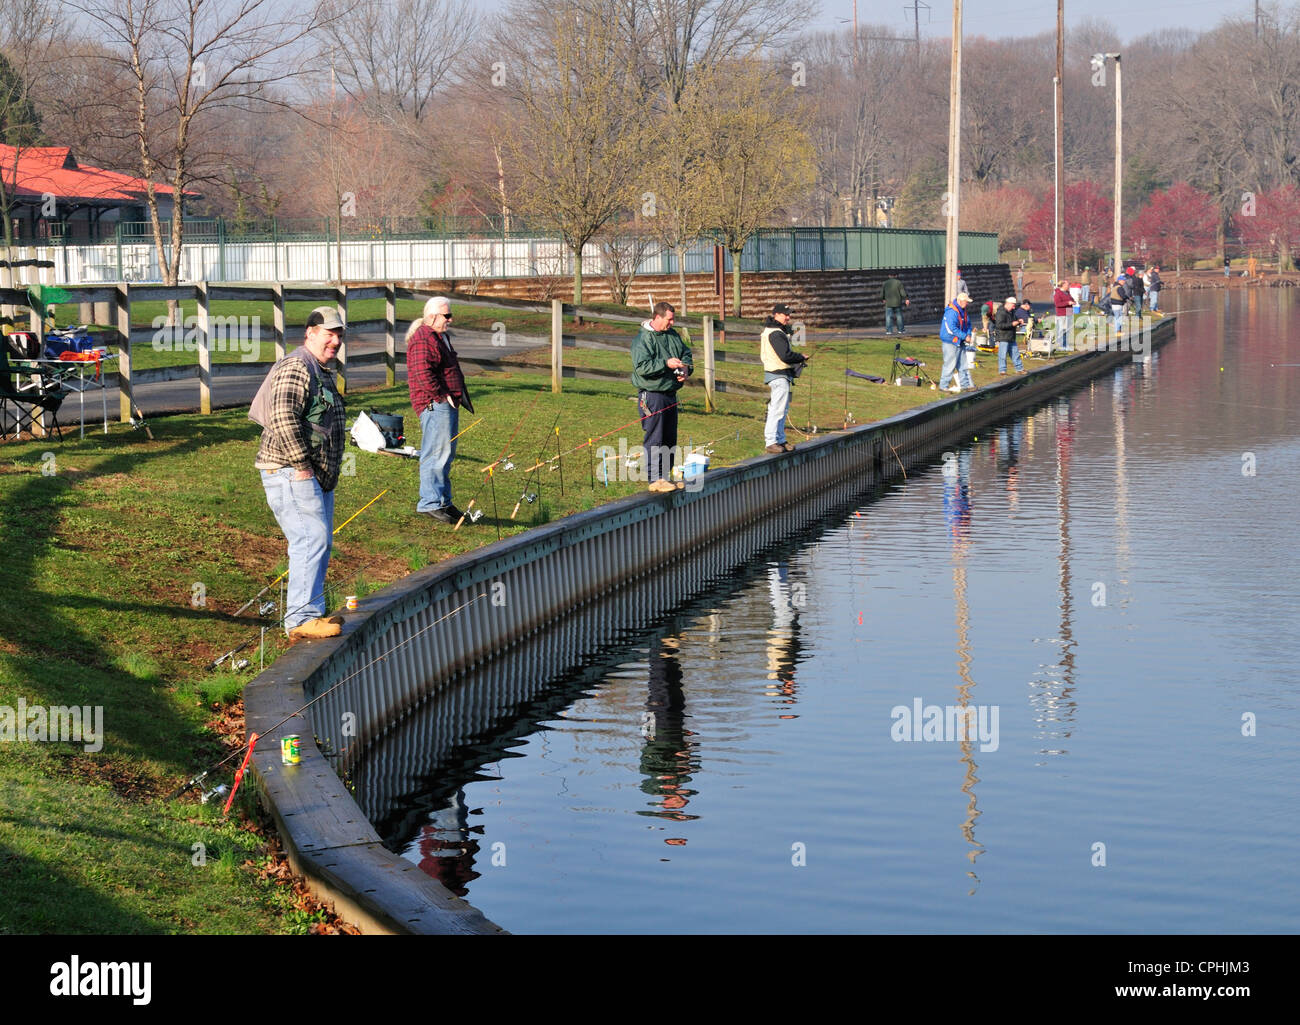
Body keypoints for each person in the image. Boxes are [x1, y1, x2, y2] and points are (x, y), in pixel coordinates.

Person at [254, 307, 348, 641]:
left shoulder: (320, 369)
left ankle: (311, 613)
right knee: (310, 539)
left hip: (311, 474)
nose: (335, 341)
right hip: (291, 471)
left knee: (318, 541)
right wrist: (303, 465)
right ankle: (301, 618)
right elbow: (282, 416)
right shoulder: (298, 365)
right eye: (328, 333)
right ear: (310, 332)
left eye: (339, 335)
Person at [408, 296, 474, 524]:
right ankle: (430, 502)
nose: (450, 319)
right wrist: (442, 396)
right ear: (433, 316)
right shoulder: (423, 339)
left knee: (446, 454)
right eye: (447, 315)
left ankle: (443, 500)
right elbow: (421, 372)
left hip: (445, 404)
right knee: (435, 453)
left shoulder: (439, 337)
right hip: (434, 405)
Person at [632, 301, 693, 492]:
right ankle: (655, 479)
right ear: (657, 317)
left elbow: (686, 353)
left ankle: (665, 476)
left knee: (669, 437)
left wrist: (685, 368)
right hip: (652, 395)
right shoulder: (643, 339)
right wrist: (665, 364)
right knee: (655, 437)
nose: (672, 323)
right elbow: (642, 367)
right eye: (670, 319)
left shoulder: (672, 335)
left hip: (670, 394)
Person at [760, 302, 807, 453]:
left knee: (782, 409)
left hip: (781, 374)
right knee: (777, 409)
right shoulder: (775, 333)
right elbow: (785, 355)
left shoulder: (777, 331)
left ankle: (780, 440)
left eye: (789, 314)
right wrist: (800, 356)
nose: (788, 317)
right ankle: (771, 441)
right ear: (776, 314)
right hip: (778, 374)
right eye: (786, 314)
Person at [938, 291, 974, 393]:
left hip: (960, 341)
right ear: (960, 301)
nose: (967, 304)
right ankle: (943, 386)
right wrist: (964, 336)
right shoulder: (951, 312)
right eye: (966, 302)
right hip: (950, 341)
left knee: (963, 365)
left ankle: (965, 385)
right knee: (950, 364)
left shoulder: (963, 310)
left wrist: (969, 334)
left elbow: (968, 324)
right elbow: (951, 328)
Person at [994, 296, 1026, 375]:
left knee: (1016, 354)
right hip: (1003, 337)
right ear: (1008, 304)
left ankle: (1019, 369)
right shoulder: (1001, 312)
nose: (1014, 307)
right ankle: (1002, 370)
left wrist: (1018, 321)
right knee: (1002, 355)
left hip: (1011, 336)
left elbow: (1014, 321)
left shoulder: (1012, 312)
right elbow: (999, 325)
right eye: (1013, 305)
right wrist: (1012, 324)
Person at [1052, 280, 1074, 351]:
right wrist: (1068, 302)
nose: (1069, 286)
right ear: (1063, 285)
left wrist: (1072, 301)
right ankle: (1060, 345)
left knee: (1068, 330)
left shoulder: (1067, 292)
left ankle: (1066, 345)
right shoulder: (1058, 294)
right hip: (1062, 314)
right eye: (1067, 284)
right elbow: (1057, 304)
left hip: (1069, 313)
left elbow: (1071, 299)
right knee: (1061, 330)